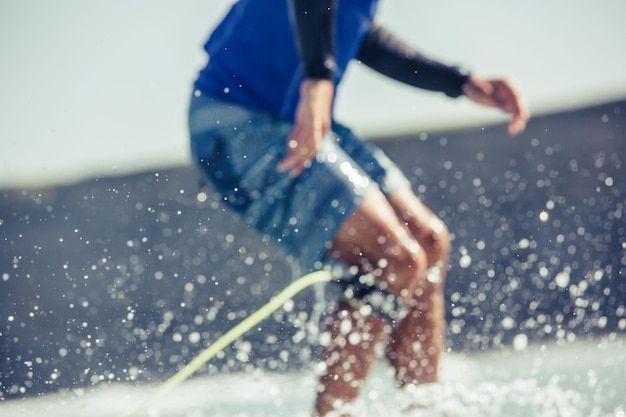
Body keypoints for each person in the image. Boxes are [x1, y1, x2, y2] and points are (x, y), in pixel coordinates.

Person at [187, 0, 529, 415]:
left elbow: (361, 31)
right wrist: (318, 79)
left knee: (429, 241)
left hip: (293, 115)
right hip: (238, 118)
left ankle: (422, 409)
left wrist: (460, 82)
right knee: (394, 258)